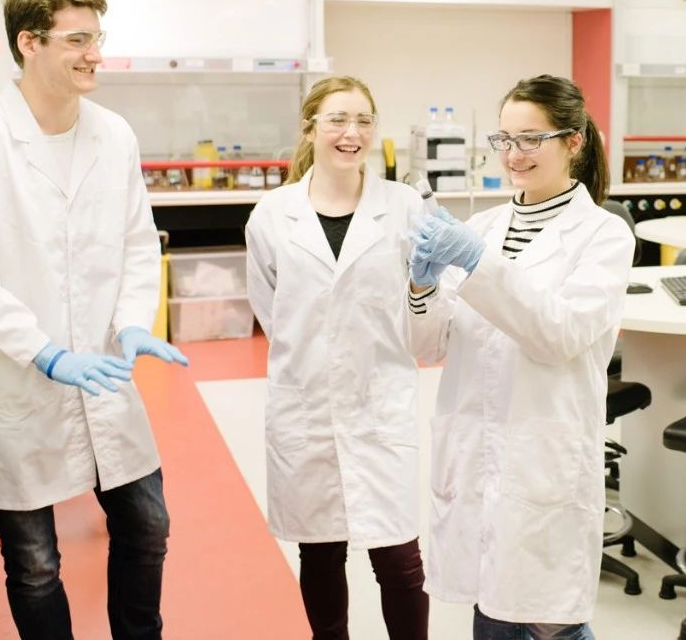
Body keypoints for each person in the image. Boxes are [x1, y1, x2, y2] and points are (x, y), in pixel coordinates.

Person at [0, 0, 188, 640]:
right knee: (35, 563)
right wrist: (45, 353)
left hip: (104, 373)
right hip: (16, 381)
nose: (95, 54)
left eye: (96, 37)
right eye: (78, 40)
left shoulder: (114, 135)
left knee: (148, 524)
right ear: (30, 43)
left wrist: (132, 322)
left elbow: (137, 241)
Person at [405, 75, 633, 640]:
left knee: (550, 623)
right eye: (504, 140)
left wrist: (477, 264)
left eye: (531, 139)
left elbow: (558, 334)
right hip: (476, 451)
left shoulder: (603, 235)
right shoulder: (483, 227)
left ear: (574, 141)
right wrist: (421, 287)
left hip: (542, 454)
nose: (513, 155)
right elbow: (430, 345)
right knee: (490, 610)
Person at [245, 76, 429, 640]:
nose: (352, 133)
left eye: (364, 121)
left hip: (381, 404)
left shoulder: (404, 206)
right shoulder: (272, 215)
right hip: (307, 407)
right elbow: (272, 311)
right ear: (311, 128)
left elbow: (425, 301)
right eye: (337, 120)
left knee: (399, 559)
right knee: (320, 552)